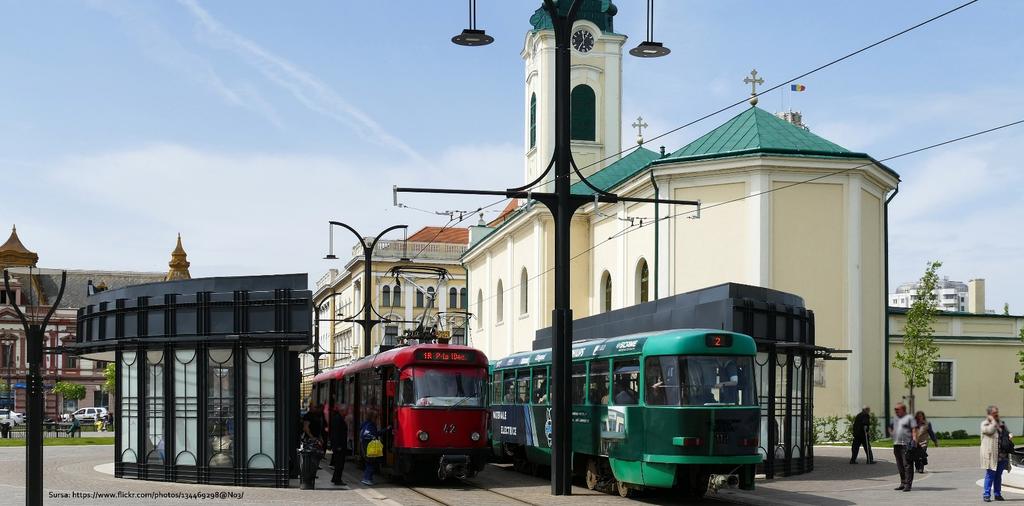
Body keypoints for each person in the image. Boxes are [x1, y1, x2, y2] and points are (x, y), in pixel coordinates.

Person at [981, 405, 1012, 502]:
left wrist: (1010, 434)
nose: (996, 414)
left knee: (998, 476)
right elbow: (989, 431)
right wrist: (993, 421)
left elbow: (1007, 432)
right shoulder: (985, 424)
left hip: (1002, 454)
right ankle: (986, 494)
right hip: (992, 455)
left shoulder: (1002, 423)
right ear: (989, 414)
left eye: (997, 412)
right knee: (990, 475)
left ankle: (997, 494)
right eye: (994, 413)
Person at [888, 401, 917, 492]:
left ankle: (908, 485)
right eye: (895, 409)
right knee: (900, 465)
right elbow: (890, 426)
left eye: (897, 409)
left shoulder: (909, 417)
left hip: (906, 444)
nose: (895, 410)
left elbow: (914, 429)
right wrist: (892, 434)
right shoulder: (895, 418)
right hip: (896, 444)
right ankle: (902, 483)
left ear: (903, 409)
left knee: (907, 464)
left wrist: (914, 439)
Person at [329, 398, 349, 489]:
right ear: (342, 411)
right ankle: (337, 479)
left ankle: (335, 478)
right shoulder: (338, 419)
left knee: (339, 463)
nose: (347, 413)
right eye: (346, 411)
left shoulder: (338, 418)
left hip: (339, 445)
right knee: (339, 463)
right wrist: (338, 446)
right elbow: (336, 434)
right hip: (339, 446)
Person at [359, 414, 381, 486]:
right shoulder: (370, 425)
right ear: (373, 418)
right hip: (369, 447)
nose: (377, 420)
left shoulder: (366, 424)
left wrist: (385, 430)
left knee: (369, 463)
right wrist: (373, 437)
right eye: (376, 418)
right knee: (371, 463)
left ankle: (367, 478)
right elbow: (366, 434)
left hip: (365, 446)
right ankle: (367, 479)